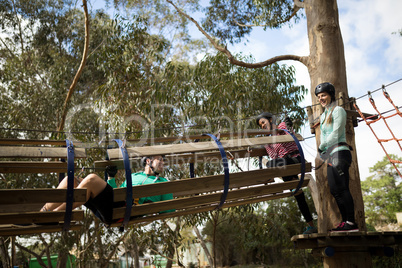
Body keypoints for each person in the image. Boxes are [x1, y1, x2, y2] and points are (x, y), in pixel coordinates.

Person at [41, 155, 173, 225]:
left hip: (125, 211)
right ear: (148, 161)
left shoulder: (163, 182)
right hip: (115, 207)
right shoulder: (134, 176)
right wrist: (111, 177)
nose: (162, 163)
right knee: (71, 180)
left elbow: (168, 210)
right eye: (159, 160)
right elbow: (117, 193)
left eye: (163, 161)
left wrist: (150, 207)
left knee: (92, 179)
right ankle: (43, 213)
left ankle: (55, 215)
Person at [256, 112, 317, 235]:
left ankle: (270, 177)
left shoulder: (282, 126)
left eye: (263, 122)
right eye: (260, 125)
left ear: (270, 120)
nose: (262, 126)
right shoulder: (268, 142)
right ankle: (311, 226)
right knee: (298, 195)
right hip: (284, 166)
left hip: (294, 159)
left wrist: (284, 125)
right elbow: (274, 156)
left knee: (271, 164)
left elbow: (285, 130)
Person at [315, 82, 358, 232]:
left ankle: (351, 223)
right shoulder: (323, 116)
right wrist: (323, 153)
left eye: (324, 95)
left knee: (342, 187)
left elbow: (335, 132)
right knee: (334, 190)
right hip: (331, 155)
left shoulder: (338, 110)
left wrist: (321, 147)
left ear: (331, 95)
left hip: (340, 152)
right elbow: (325, 136)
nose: (321, 98)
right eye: (319, 97)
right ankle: (345, 221)